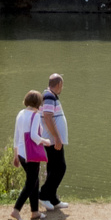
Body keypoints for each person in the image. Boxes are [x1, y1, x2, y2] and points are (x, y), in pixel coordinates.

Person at [9, 89, 52, 220]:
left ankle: (34, 212)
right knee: (31, 183)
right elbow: (34, 136)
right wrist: (45, 141)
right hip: (30, 154)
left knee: (34, 181)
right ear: (38, 103)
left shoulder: (20, 114)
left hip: (21, 154)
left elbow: (16, 135)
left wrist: (15, 155)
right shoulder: (35, 116)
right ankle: (16, 210)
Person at [38, 73, 69, 212]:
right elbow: (48, 117)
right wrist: (56, 137)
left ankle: (53, 199)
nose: (62, 88)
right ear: (59, 85)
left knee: (53, 168)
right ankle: (44, 195)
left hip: (52, 139)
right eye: (62, 85)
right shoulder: (49, 96)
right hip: (52, 140)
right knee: (60, 167)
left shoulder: (49, 96)